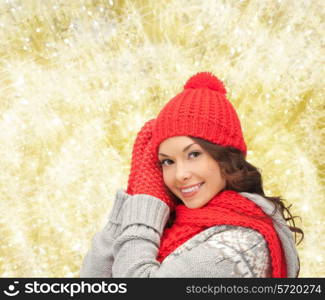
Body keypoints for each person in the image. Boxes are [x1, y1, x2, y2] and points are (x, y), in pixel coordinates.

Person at [80, 72, 303, 278]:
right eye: (167, 161)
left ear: (226, 157)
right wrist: (134, 197)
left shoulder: (242, 244)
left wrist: (145, 204)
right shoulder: (174, 221)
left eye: (194, 154)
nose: (180, 174)